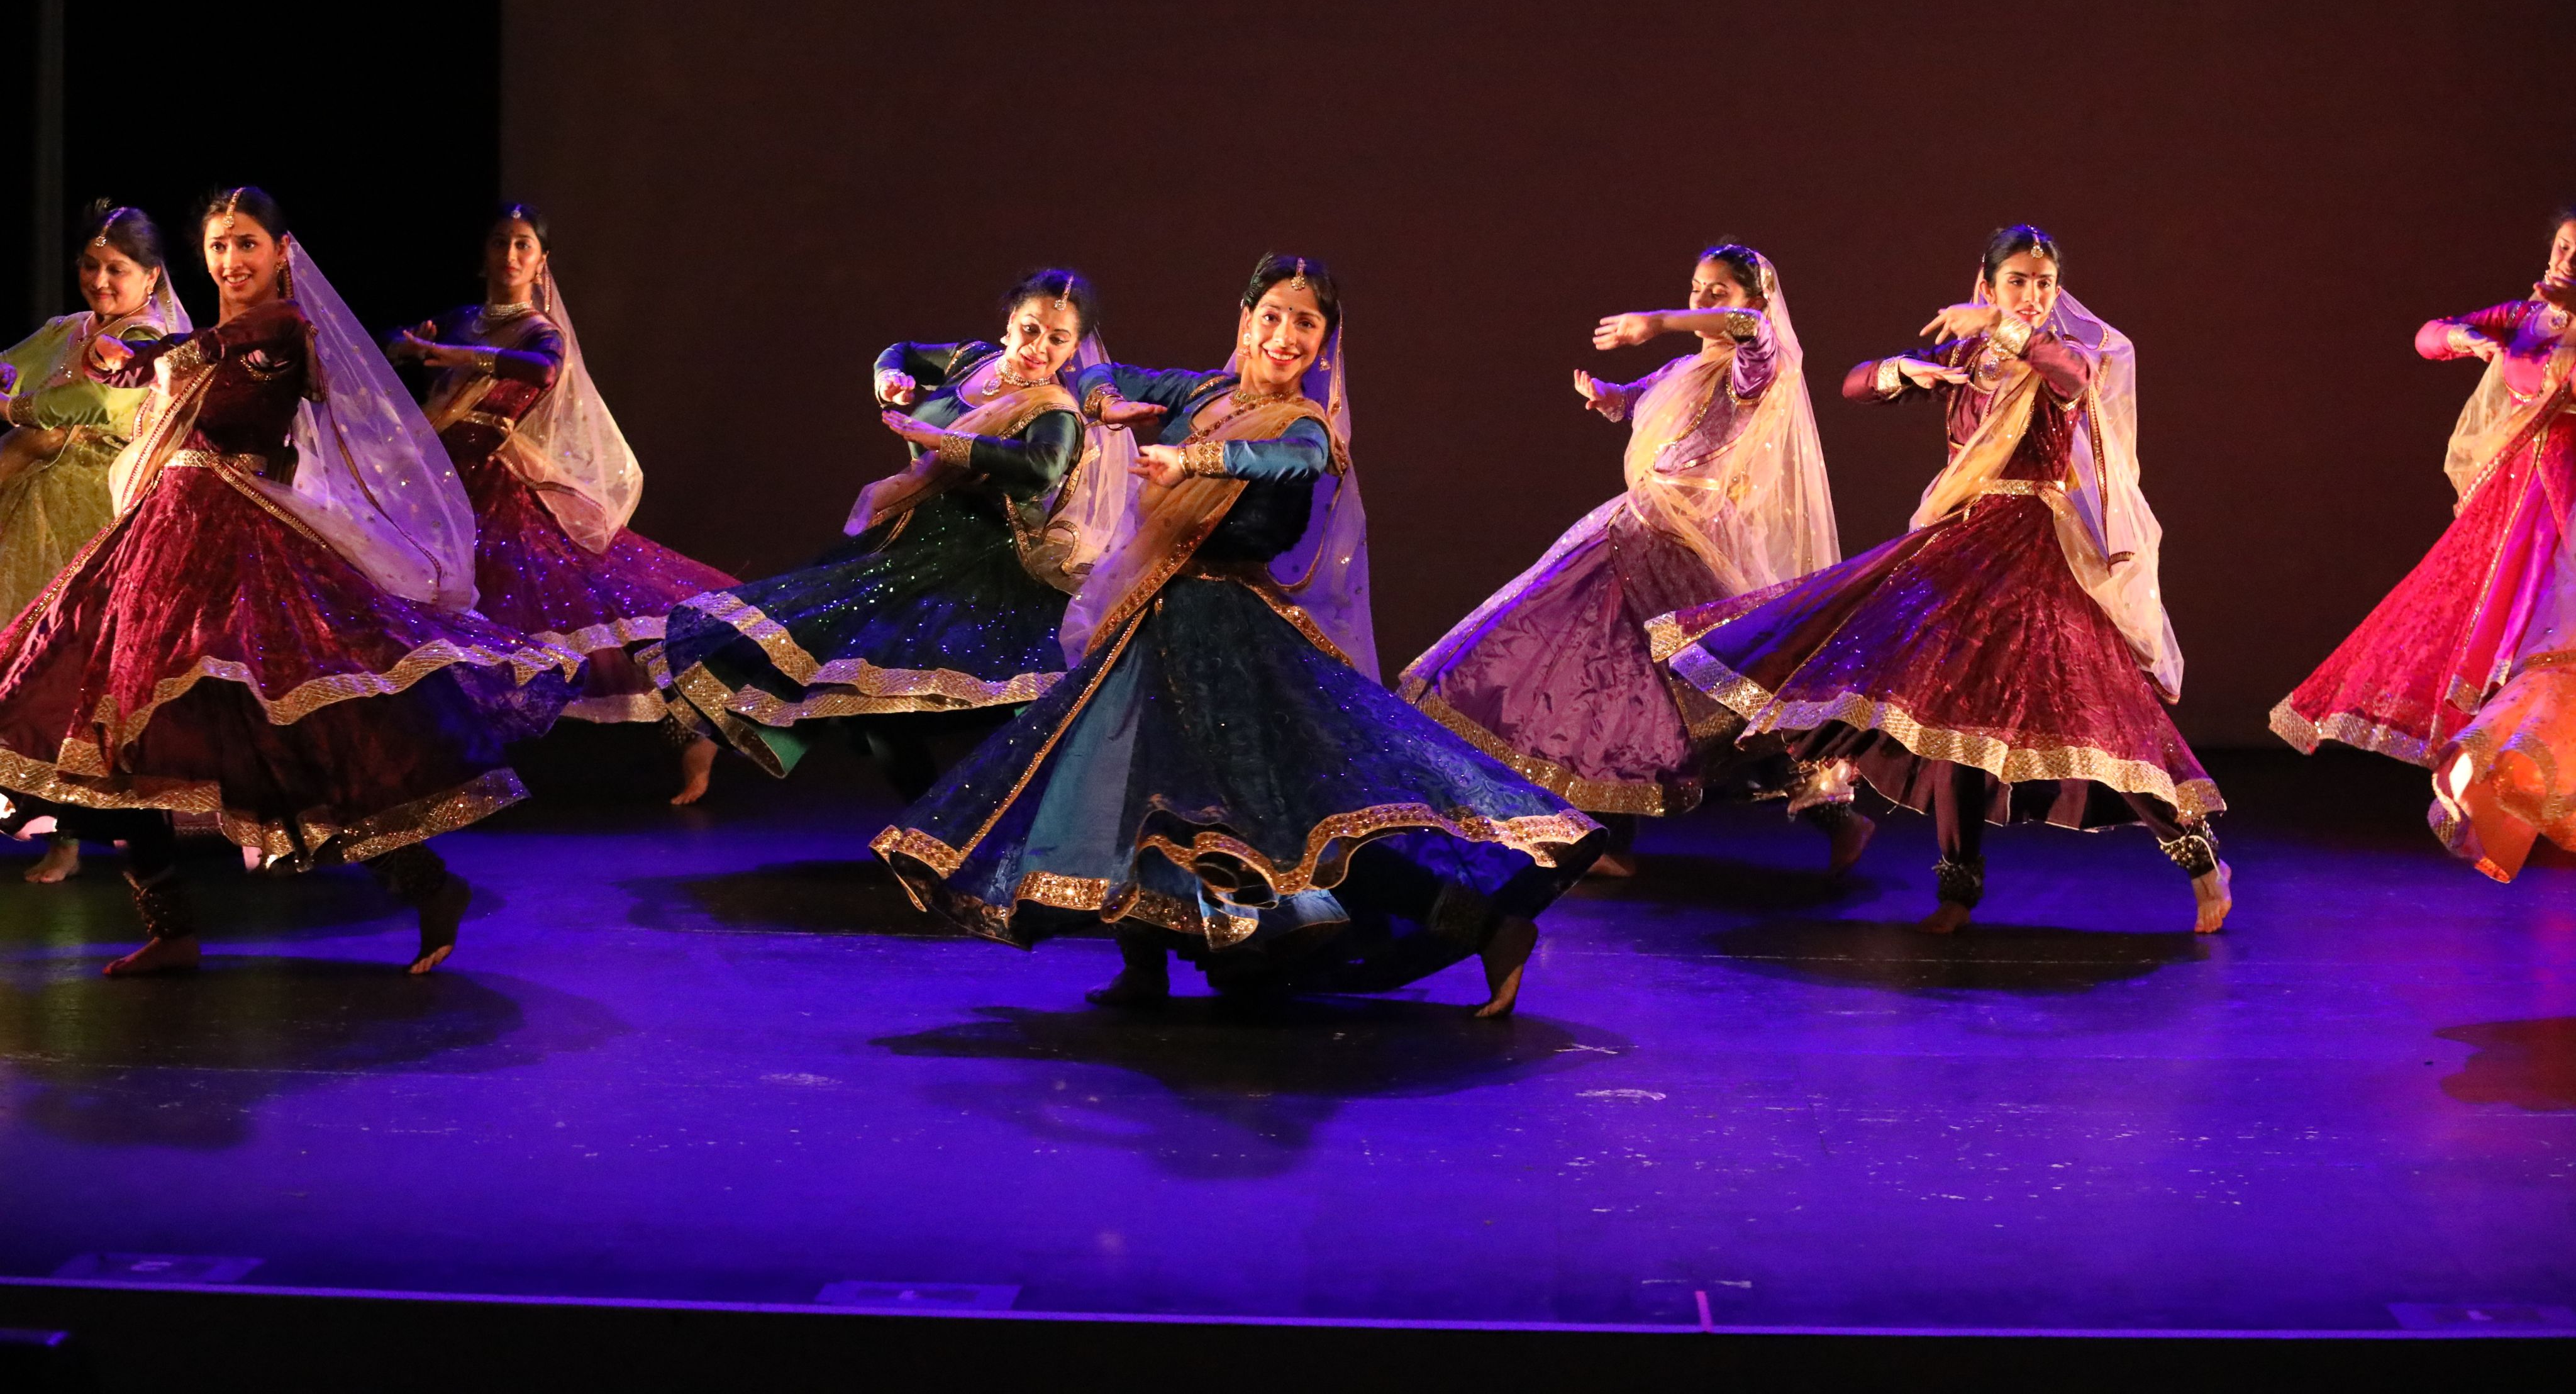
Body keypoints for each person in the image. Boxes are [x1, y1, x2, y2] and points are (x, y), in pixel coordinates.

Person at [872, 255, 1601, 1017]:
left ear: (1325, 343)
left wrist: (1190, 457)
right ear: (1245, 318)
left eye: (1306, 323)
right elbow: (1096, 369)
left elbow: (1281, 462)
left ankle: (1490, 927)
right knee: (1121, 791)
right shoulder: (1201, 391)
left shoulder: (1307, 427)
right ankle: (1145, 967)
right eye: (1272, 316)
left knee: (1289, 821)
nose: (1285, 336)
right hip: (1153, 625)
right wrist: (1112, 402)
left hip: (1235, 642)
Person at [0, 187, 577, 975]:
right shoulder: (211, 333)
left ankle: (426, 883)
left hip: (236, 548)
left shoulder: (281, 325)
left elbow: (230, 350)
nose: (231, 261)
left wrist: (152, 355)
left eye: (246, 245)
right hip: (158, 540)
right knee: (103, 728)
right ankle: (169, 924)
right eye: (218, 247)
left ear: (280, 253)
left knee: (293, 734)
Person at [1653, 226, 2229, 934]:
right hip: (1961, 541)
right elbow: (1853, 385)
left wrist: (2000, 325)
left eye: (2043, 282)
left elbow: (2075, 381)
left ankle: (2199, 858)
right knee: (1945, 713)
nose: (2032, 293)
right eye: (2015, 280)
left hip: (2038, 551)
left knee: (2095, 706)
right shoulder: (1965, 350)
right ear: (1986, 283)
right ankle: (1958, 887)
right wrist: (1902, 371)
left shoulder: (2061, 353)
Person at [1400, 242, 1839, 873]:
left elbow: (1754, 330)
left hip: (1685, 543)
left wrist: (1658, 321)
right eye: (1696, 287)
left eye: (1720, 290)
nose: (1704, 300)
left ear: (1753, 297)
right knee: (1608, 678)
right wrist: (1610, 396)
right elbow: (1645, 399)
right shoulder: (1687, 370)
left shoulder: (1755, 369)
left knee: (1719, 693)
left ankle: (1833, 814)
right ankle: (1595, 833)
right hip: (1640, 531)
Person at [654, 269, 1128, 803]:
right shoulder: (971, 360)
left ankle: (949, 825)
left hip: (973, 564)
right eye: (1030, 328)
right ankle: (719, 735)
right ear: (1009, 325)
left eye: (1057, 339)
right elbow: (899, 351)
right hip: (903, 545)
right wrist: (889, 377)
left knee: (885, 702)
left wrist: (941, 439)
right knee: (836, 674)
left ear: (1073, 350)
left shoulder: (1055, 410)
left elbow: (1043, 467)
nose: (1038, 347)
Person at [2278, 208, 2576, 881]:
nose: (2565, 262)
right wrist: (2465, 337)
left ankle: (2508, 794)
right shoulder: (2526, 315)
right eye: (2562, 247)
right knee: (2507, 643)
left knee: (2557, 644)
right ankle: (2493, 795)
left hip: (2568, 505)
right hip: (2511, 514)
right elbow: (2426, 336)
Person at [386, 205, 732, 776]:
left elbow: (541, 371)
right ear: (484, 257)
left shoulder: (538, 332)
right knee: (430, 610)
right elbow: (387, 344)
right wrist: (407, 345)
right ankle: (432, 753)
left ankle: (695, 715)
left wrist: (460, 357)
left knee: (590, 607)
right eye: (500, 243)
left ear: (541, 263)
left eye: (523, 245)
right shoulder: (460, 319)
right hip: (439, 487)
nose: (511, 255)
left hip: (498, 491)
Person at [0, 203, 191, 883]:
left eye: (118, 268)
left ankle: (79, 832)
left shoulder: (151, 344)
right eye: (90, 264)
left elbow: (86, 408)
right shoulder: (66, 329)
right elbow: (11, 371)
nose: (101, 280)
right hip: (29, 511)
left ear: (152, 277)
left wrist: (18, 414)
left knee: (72, 679)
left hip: (93, 522)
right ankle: (55, 826)